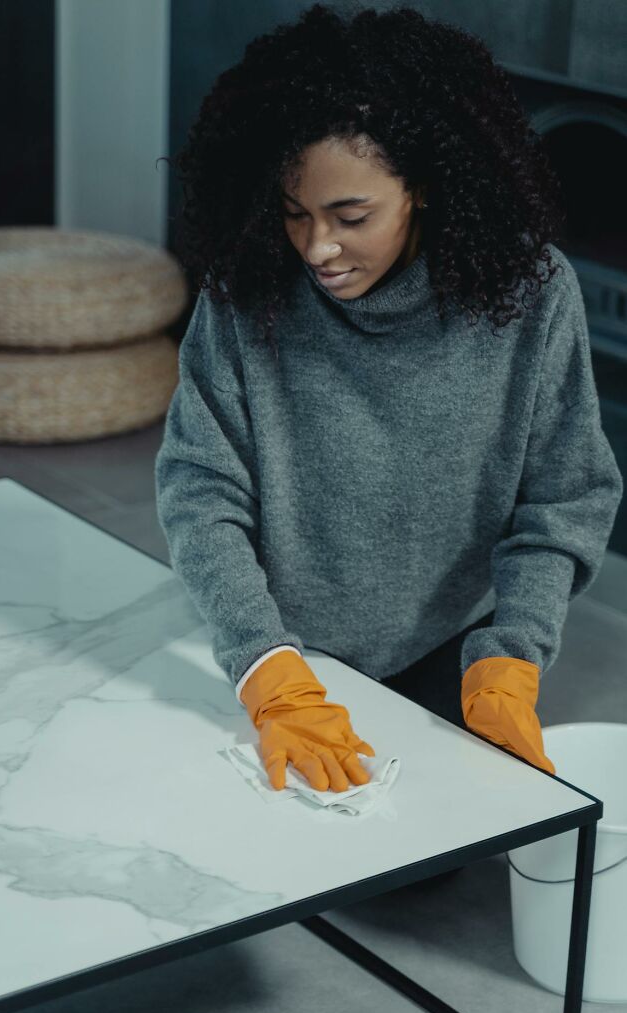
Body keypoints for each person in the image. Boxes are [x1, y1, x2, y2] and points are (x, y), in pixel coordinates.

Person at [155, 3, 624, 794]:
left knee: (419, 872)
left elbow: (565, 500)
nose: (316, 248)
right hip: (281, 644)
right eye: (295, 212)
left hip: (455, 646)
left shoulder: (533, 296)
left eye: (351, 215)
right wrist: (268, 668)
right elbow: (200, 492)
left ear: (427, 189)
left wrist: (513, 653)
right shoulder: (247, 291)